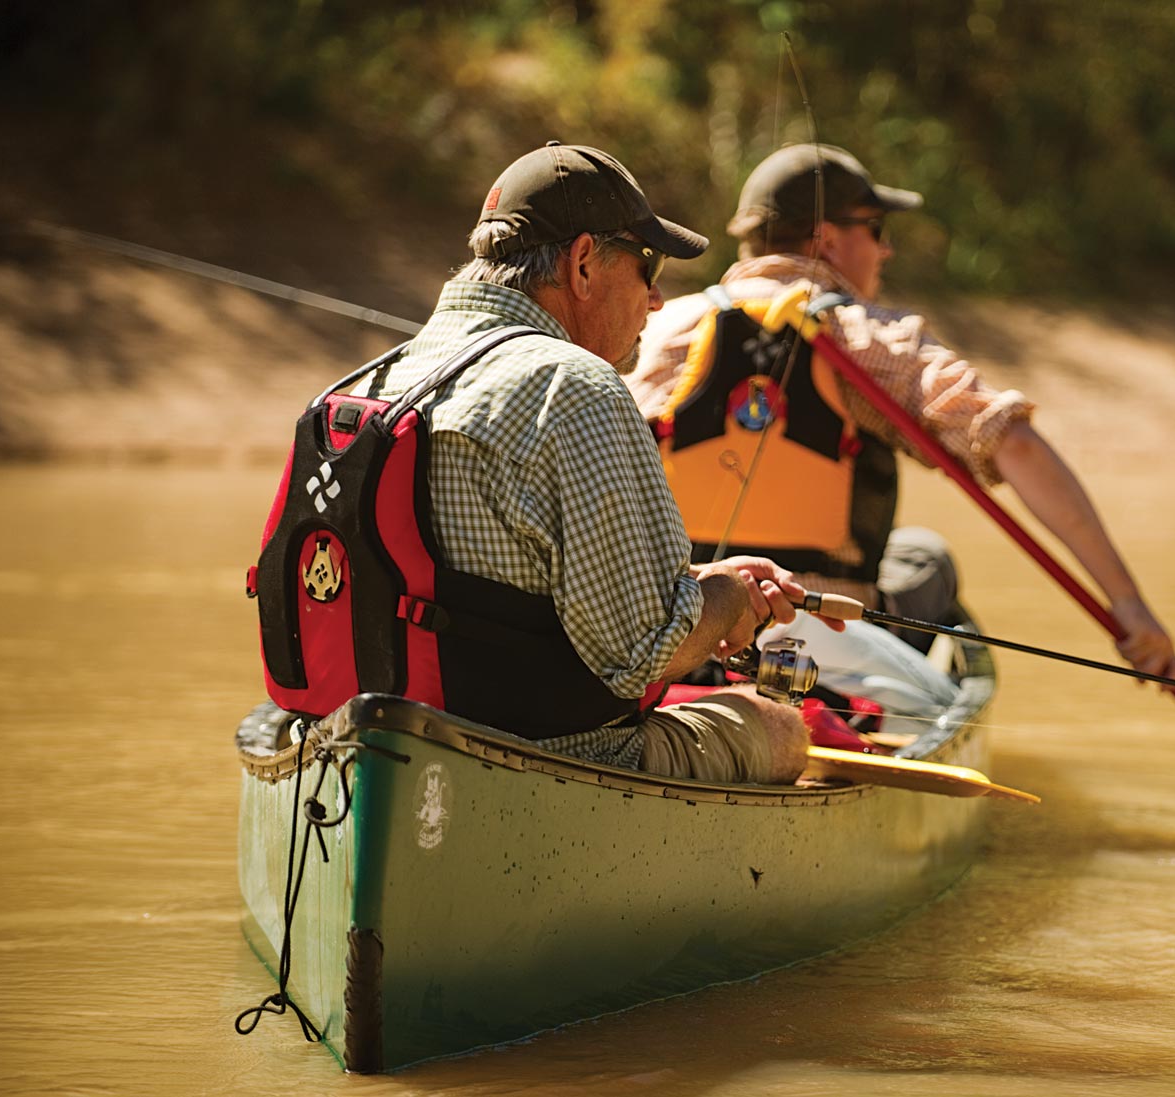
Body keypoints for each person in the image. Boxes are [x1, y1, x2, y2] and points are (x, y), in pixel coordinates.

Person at [358, 142, 836, 783]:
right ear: (583, 264)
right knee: (777, 723)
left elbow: (500, 582)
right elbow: (642, 656)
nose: (659, 298)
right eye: (648, 266)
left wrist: (704, 580)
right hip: (549, 760)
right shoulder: (576, 387)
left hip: (375, 744)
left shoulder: (376, 379)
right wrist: (725, 599)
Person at [628, 143, 1175, 679]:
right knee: (927, 558)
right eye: (877, 231)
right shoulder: (871, 339)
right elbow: (1011, 443)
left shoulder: (659, 327)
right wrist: (1127, 605)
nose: (886, 250)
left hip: (687, 622)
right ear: (826, 241)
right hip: (823, 631)